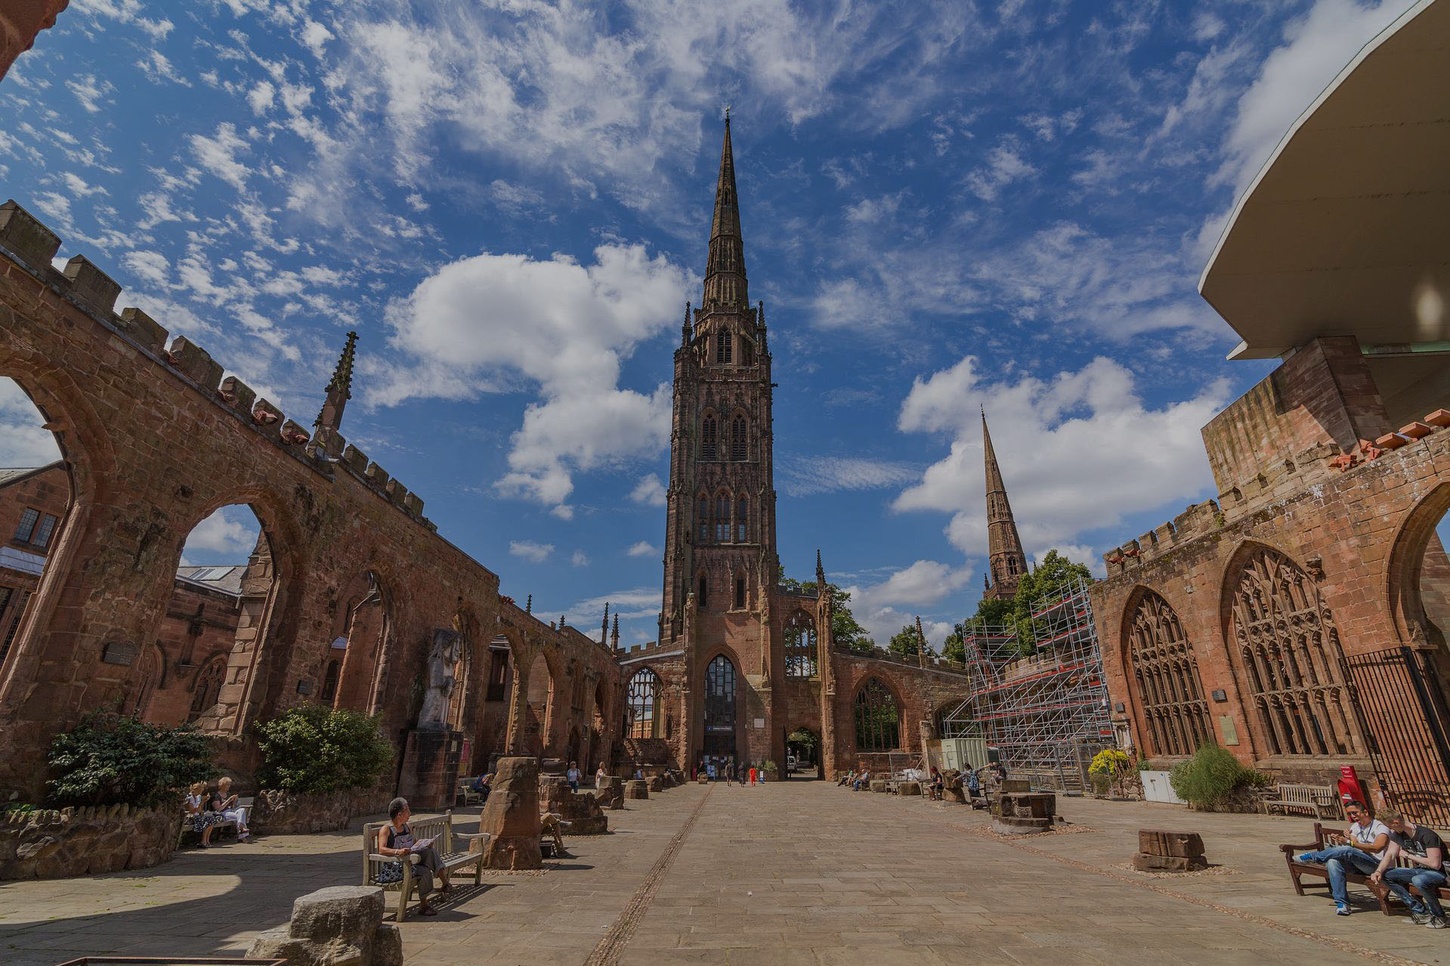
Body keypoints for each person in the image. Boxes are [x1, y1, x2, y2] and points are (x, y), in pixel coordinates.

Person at [1294, 800, 1389, 915]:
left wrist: (1349, 843)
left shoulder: (1380, 827)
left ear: (1365, 812)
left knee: (1348, 850)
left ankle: (1314, 857)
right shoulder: (1355, 826)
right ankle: (1342, 904)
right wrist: (1344, 840)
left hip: (1377, 866)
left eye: (1355, 813)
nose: (1353, 816)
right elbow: (1356, 846)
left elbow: (1377, 848)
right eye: (1349, 814)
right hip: (1359, 864)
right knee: (1333, 862)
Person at [1370, 808, 1448, 927]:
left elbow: (1435, 864)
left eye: (1389, 826)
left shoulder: (1427, 835)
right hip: (1421, 870)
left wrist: (1408, 855)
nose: (1390, 829)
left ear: (1396, 822)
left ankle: (1440, 916)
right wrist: (1378, 871)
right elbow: (1390, 853)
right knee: (1386, 875)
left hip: (1441, 874)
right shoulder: (1398, 834)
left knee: (1418, 880)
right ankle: (1420, 912)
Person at [375, 797, 450, 916]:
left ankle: (445, 884)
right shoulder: (386, 829)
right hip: (395, 868)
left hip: (409, 862)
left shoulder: (407, 827)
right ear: (399, 814)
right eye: (408, 811)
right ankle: (424, 906)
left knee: (430, 852)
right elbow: (381, 849)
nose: (410, 814)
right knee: (425, 872)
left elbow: (414, 843)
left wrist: (425, 843)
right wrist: (397, 852)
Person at [184, 781, 220, 848]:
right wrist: (201, 803)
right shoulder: (190, 797)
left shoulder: (198, 797)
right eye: (201, 790)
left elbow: (199, 810)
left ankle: (206, 841)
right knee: (208, 820)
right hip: (190, 818)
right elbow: (192, 811)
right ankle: (203, 841)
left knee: (211, 820)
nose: (201, 792)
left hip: (197, 816)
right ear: (196, 790)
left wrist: (203, 802)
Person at [215, 776, 251, 841]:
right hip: (222, 813)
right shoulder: (216, 795)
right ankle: (242, 835)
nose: (229, 786)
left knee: (242, 810)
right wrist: (228, 800)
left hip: (231, 811)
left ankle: (241, 828)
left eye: (229, 785)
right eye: (227, 785)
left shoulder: (228, 794)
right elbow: (218, 809)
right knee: (238, 817)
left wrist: (234, 800)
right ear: (222, 785)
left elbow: (233, 806)